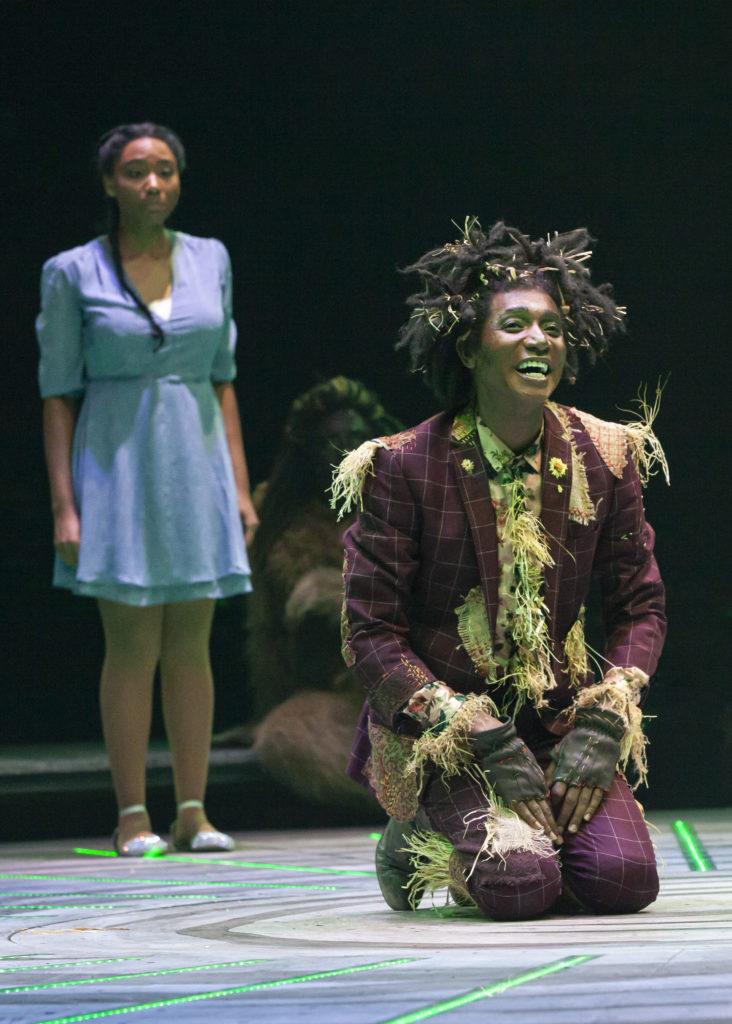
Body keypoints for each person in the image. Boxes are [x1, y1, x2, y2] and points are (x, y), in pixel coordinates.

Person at [332, 219, 668, 919]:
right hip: (451, 735)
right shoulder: (403, 464)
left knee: (624, 882)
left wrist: (605, 719)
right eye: (514, 325)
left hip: (556, 721)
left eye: (551, 327)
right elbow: (370, 635)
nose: (537, 340)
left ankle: (515, 838)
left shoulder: (605, 455)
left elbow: (641, 607)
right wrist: (472, 729)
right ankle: (420, 831)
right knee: (521, 886)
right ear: (470, 346)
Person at [37, 123, 258, 856]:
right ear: (110, 183)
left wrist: (239, 486)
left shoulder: (210, 259)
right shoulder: (73, 271)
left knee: (191, 643)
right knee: (130, 643)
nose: (152, 185)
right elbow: (59, 393)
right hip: (116, 465)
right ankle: (133, 813)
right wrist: (65, 504)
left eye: (165, 171)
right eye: (136, 172)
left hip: (196, 463)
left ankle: (193, 811)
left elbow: (222, 379)